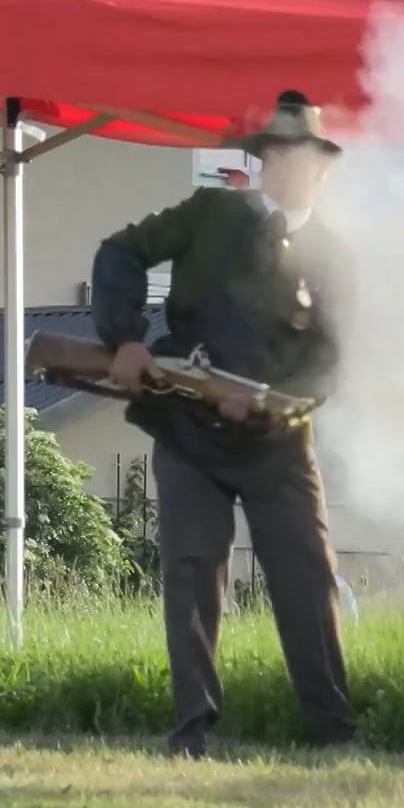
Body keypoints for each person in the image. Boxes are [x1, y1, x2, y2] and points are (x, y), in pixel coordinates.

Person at [91, 89, 360, 759]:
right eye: (282, 152)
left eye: (307, 156)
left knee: (307, 580)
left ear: (324, 167)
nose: (294, 165)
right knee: (190, 574)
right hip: (187, 428)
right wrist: (123, 337)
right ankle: (192, 731)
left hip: (277, 443)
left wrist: (271, 401)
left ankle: (331, 732)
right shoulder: (211, 212)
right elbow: (120, 252)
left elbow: (330, 364)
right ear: (264, 158)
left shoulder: (335, 257)